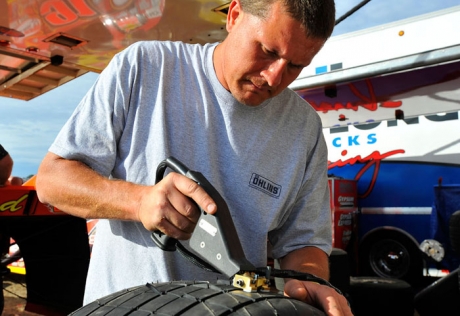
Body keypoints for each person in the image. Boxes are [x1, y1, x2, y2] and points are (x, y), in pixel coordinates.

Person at [36, 0, 352, 315]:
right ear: (234, 15)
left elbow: (303, 244)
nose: (274, 77)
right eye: (268, 51)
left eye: (296, 65)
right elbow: (52, 180)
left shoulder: (303, 128)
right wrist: (139, 201)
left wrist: (307, 283)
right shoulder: (145, 67)